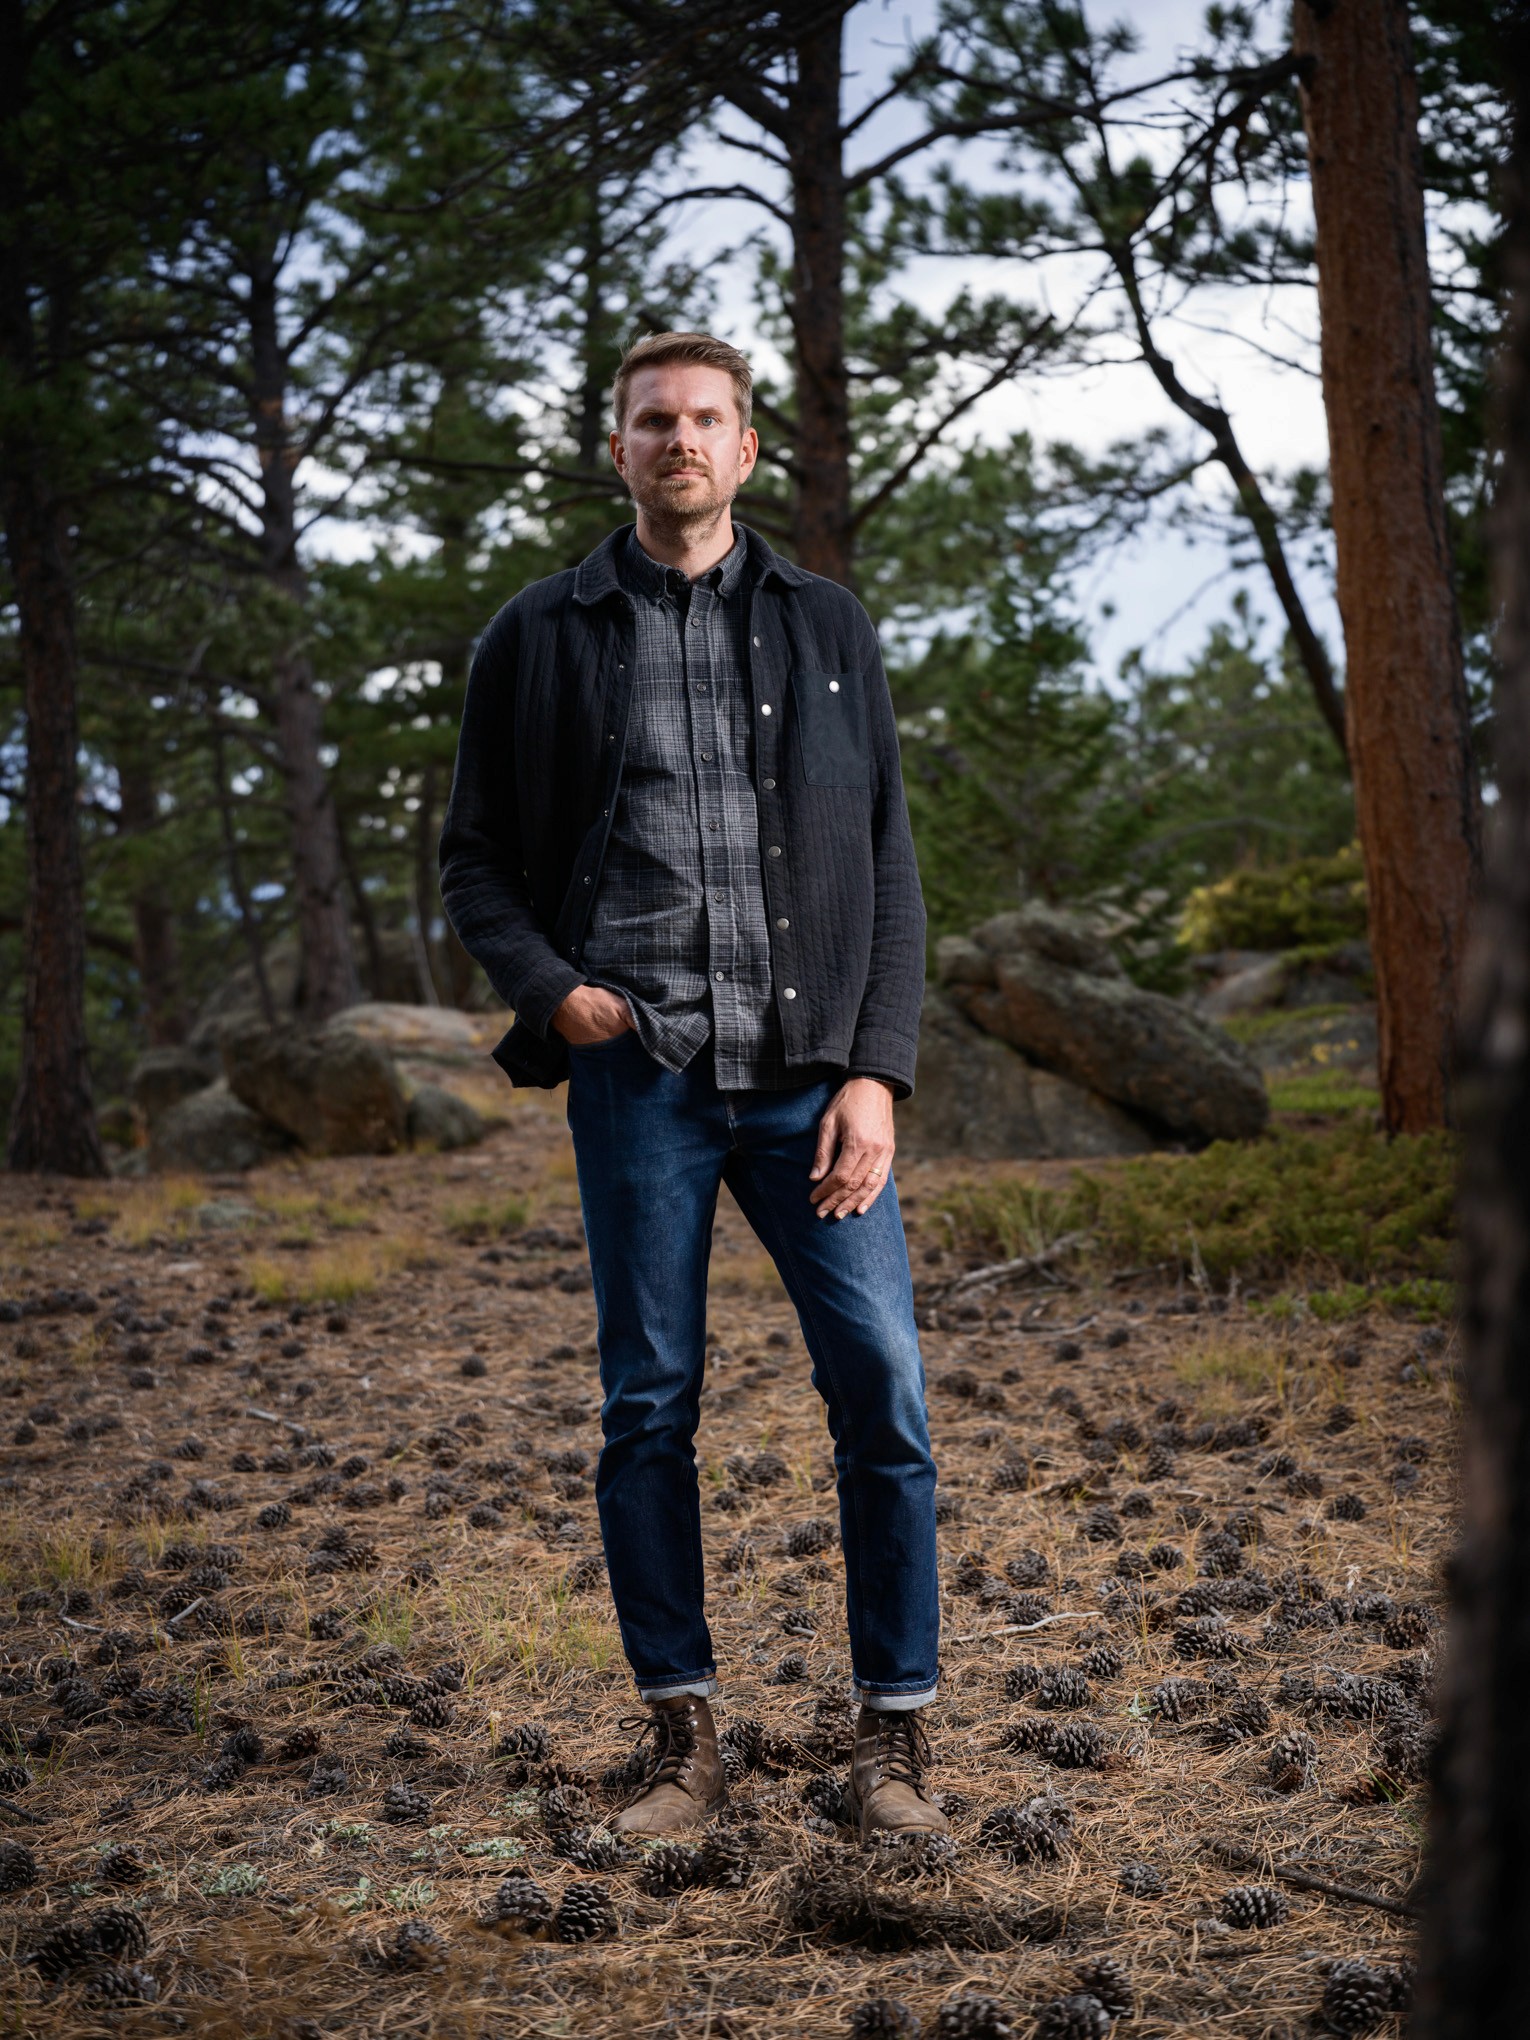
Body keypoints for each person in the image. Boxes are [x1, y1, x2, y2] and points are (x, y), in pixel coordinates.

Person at [438, 331, 944, 1841]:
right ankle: (683, 1742)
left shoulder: (825, 623)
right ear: (618, 449)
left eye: (706, 419)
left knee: (886, 1396)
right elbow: (473, 858)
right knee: (647, 1406)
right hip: (641, 1076)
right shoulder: (538, 633)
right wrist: (552, 992)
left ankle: (892, 1743)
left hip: (809, 1086)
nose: (680, 441)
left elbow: (889, 859)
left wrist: (878, 1072)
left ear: (745, 447)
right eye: (653, 420)